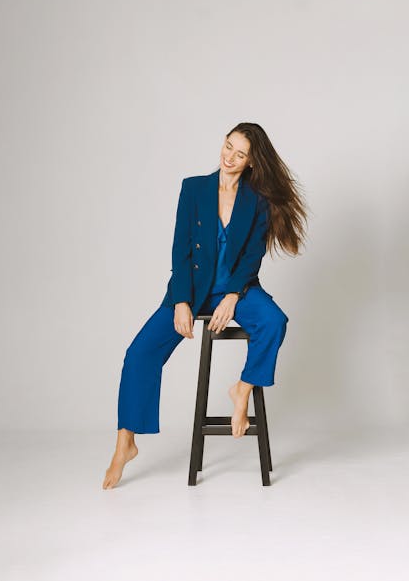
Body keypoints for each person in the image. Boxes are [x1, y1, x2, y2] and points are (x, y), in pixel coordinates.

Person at [103, 122, 308, 489]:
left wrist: (232, 296)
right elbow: (180, 250)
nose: (229, 157)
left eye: (239, 153)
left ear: (251, 162)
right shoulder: (194, 188)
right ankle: (125, 444)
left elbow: (251, 257)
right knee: (139, 355)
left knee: (274, 321)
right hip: (193, 289)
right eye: (228, 146)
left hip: (237, 291)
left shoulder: (257, 200)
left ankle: (242, 388)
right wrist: (181, 302)